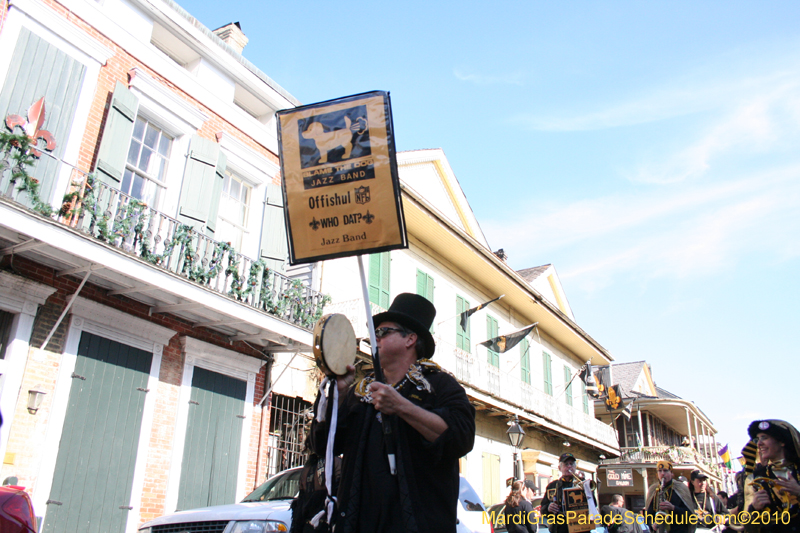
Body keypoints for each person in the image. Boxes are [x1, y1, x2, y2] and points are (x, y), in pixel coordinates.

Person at [311, 293, 476, 533]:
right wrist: (340, 394)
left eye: (383, 332)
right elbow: (323, 446)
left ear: (410, 339)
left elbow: (462, 437)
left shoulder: (440, 386)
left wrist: (401, 406)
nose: (374, 337)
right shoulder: (360, 392)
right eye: (374, 332)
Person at [743, 419, 800, 533]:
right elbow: (748, 528)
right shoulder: (755, 478)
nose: (759, 444)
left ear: (781, 441)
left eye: (764, 437)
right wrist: (754, 509)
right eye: (757, 439)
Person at [540, 453, 596, 533]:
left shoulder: (583, 484)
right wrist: (548, 508)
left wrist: (585, 486)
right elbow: (543, 509)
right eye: (566, 464)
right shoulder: (552, 486)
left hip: (581, 528)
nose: (569, 467)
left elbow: (593, 504)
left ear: (575, 467)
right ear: (560, 468)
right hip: (561, 529)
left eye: (571, 464)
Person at [644, 460, 696, 533]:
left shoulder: (681, 488)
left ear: (671, 473)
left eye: (665, 471)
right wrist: (652, 524)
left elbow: (690, 515)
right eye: (660, 471)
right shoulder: (653, 490)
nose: (662, 474)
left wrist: (673, 508)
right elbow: (648, 515)